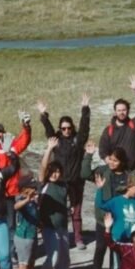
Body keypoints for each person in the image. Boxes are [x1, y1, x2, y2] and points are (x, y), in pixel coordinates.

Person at [37, 94, 91, 249]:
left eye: (69, 128)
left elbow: (85, 128)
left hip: (75, 181)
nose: (66, 130)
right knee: (60, 210)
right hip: (60, 182)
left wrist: (85, 109)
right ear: (60, 129)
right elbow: (48, 130)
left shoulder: (77, 140)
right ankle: (62, 237)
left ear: (72, 128)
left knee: (77, 211)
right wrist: (43, 114)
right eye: (63, 128)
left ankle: (78, 239)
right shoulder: (57, 140)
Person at [82, 140, 130, 269]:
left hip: (119, 219)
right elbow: (84, 173)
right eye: (110, 159)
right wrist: (88, 155)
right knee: (101, 247)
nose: (112, 162)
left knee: (114, 247)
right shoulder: (102, 171)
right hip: (103, 218)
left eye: (115, 160)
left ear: (121, 162)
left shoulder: (127, 176)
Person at [37, 138, 71, 269]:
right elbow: (43, 167)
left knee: (65, 258)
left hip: (63, 227)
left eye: (57, 172)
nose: (54, 174)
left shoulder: (63, 186)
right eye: (52, 172)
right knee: (54, 257)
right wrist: (49, 149)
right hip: (49, 227)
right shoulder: (44, 184)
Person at [99, 75, 135, 174]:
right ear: (115, 112)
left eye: (124, 110)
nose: (122, 112)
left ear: (128, 111)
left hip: (134, 171)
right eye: (119, 110)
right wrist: (108, 160)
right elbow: (102, 149)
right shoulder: (109, 130)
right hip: (116, 172)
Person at [12, 176, 40, 269]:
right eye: (32, 188)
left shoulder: (33, 201)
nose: (34, 190)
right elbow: (16, 206)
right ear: (24, 189)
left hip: (32, 235)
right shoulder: (21, 199)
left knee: (30, 265)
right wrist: (27, 199)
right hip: (23, 237)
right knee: (23, 266)